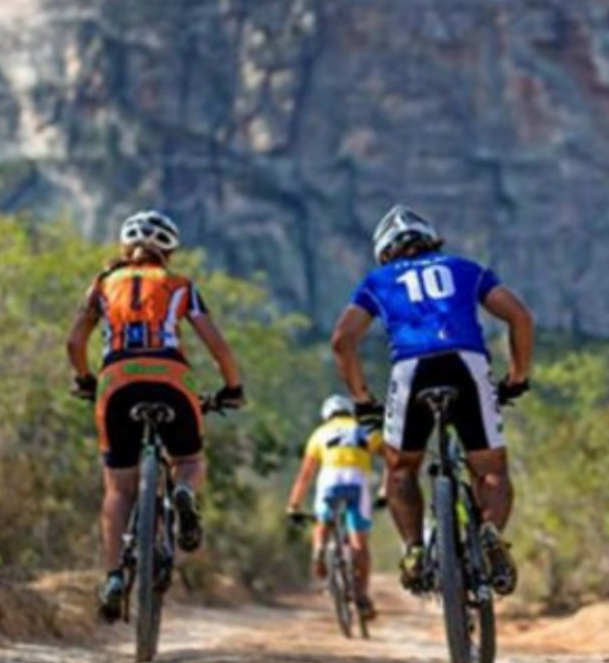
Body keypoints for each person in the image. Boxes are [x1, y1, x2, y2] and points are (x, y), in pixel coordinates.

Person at [330, 205, 533, 596]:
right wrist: (518, 377)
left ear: (386, 251)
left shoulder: (377, 281)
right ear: (431, 239)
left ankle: (414, 551)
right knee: (490, 468)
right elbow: (520, 317)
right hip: (467, 365)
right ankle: (490, 532)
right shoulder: (466, 268)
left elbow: (342, 339)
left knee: (402, 468)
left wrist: (362, 398)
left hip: (411, 370)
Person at [66, 209, 245, 622]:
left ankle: (112, 577)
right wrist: (232, 389)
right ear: (169, 251)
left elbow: (75, 341)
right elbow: (218, 347)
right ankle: (183, 490)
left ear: (126, 248)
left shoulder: (101, 285)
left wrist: (86, 380)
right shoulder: (180, 285)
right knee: (190, 459)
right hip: (171, 380)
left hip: (115, 385)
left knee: (118, 489)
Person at [285, 393, 384, 621]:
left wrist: (294, 505)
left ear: (326, 415)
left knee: (323, 520)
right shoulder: (364, 430)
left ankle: (319, 547)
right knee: (359, 540)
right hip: (358, 480)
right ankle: (361, 594)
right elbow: (392, 460)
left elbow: (305, 475)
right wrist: (385, 491)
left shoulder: (320, 433)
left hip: (329, 478)